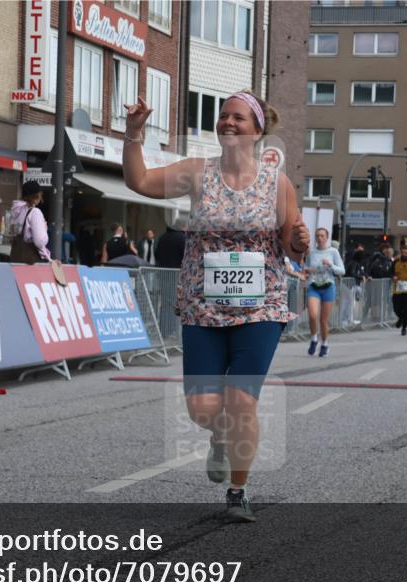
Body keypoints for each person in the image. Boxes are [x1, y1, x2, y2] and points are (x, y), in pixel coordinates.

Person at [122, 91, 309, 522]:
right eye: (223, 116)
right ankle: (220, 437)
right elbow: (140, 182)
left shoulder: (276, 184)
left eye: (238, 118)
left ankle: (237, 491)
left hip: (259, 308)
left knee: (241, 401)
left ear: (258, 130)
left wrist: (298, 241)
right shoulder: (196, 173)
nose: (227, 122)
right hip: (203, 306)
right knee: (204, 409)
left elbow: (291, 247)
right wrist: (134, 135)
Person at [304, 227, 345, 357]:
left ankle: (325, 344)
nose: (319, 238)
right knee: (312, 315)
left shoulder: (333, 252)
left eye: (322, 236)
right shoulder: (312, 252)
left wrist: (331, 265)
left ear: (327, 237)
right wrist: (308, 270)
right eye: (317, 236)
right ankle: (314, 338)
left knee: (323, 320)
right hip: (314, 286)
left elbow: (342, 271)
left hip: (328, 286)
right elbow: (306, 267)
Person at [9, 180, 50, 263]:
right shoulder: (35, 212)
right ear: (38, 195)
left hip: (16, 257)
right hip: (31, 261)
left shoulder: (16, 210)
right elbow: (40, 242)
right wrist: (44, 228)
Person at [391, 245, 407, 335]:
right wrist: (393, 276)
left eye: (405, 253)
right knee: (396, 307)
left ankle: (404, 328)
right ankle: (401, 318)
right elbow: (390, 272)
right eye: (402, 253)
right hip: (397, 289)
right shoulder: (396, 262)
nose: (404, 254)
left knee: (406, 308)